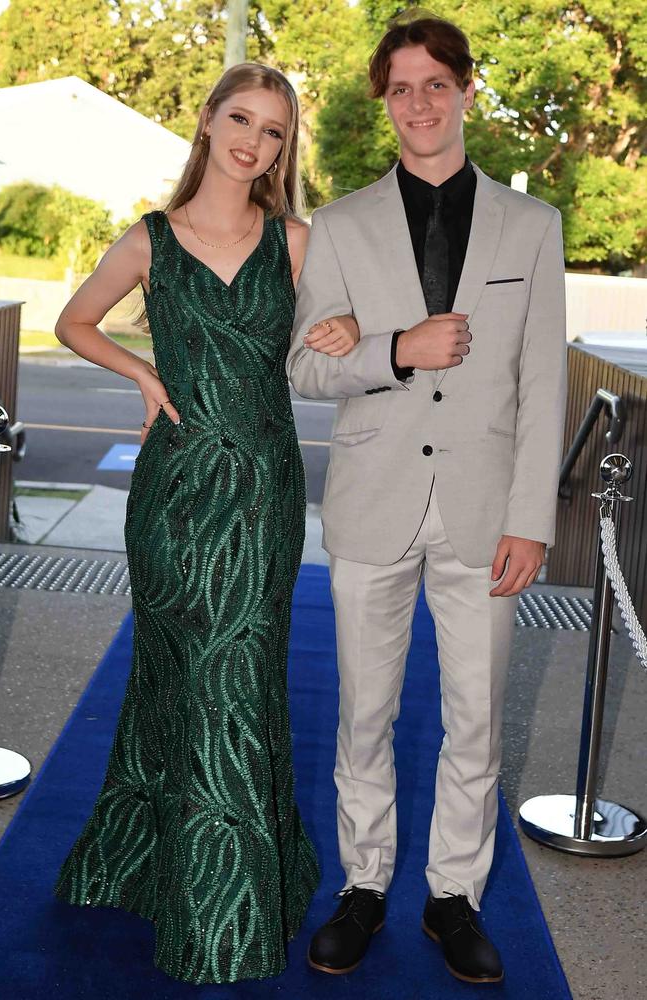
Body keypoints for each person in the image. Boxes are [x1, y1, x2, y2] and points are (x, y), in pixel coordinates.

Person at [53, 63, 355, 985]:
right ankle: (143, 864)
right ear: (208, 120)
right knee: (170, 669)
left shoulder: (299, 242)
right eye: (240, 119)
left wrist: (340, 327)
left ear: (281, 147)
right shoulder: (150, 238)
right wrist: (144, 377)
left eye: (272, 130)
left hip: (262, 493)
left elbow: (343, 331)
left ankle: (225, 902)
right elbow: (74, 323)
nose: (253, 142)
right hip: (174, 494)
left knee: (238, 670)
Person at [287, 13, 567, 985]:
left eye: (434, 84)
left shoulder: (532, 227)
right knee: (361, 713)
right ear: (383, 100)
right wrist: (393, 351)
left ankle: (453, 896)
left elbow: (541, 381)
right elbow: (304, 369)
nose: (417, 102)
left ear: (464, 91)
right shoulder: (341, 224)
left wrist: (532, 518)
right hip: (373, 503)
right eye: (399, 87)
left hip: (486, 514)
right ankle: (362, 886)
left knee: (474, 716)